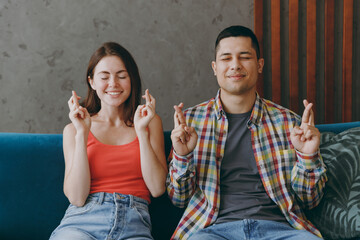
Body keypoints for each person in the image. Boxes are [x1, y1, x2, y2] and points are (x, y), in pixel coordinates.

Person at [166, 25, 327, 240]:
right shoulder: (190, 122)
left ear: (259, 65)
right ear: (214, 67)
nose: (235, 65)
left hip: (279, 230)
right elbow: (179, 199)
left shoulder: (289, 123)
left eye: (244, 57)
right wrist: (182, 156)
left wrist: (308, 156)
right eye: (226, 58)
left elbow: (310, 201)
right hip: (213, 231)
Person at [50, 42, 167, 240]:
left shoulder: (149, 122)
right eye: (104, 77)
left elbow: (157, 188)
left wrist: (141, 131)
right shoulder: (73, 130)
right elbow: (77, 198)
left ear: (132, 80)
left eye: (122, 76)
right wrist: (82, 134)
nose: (113, 84)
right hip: (83, 221)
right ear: (92, 82)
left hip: (134, 222)